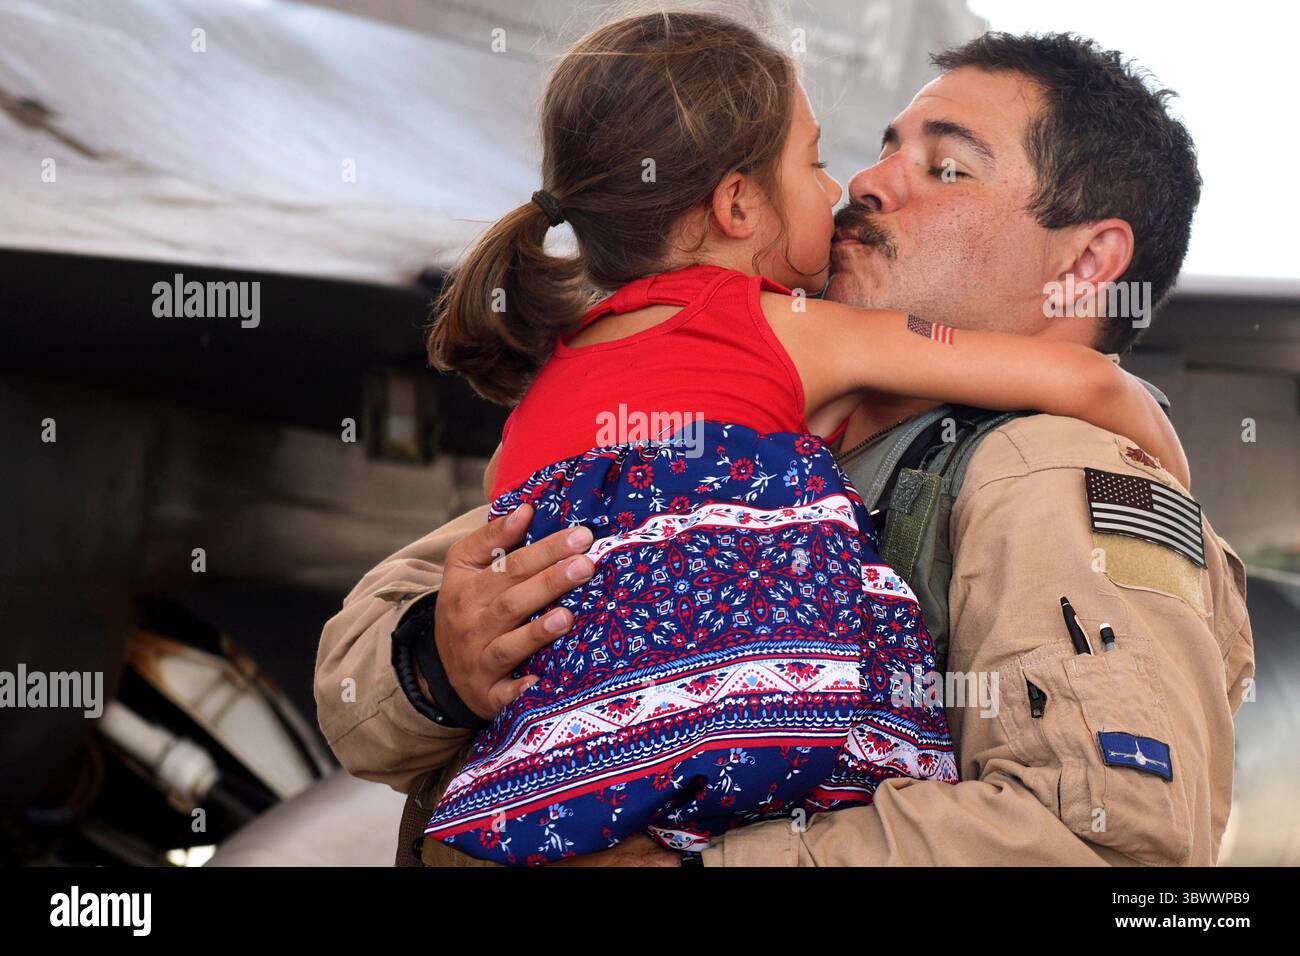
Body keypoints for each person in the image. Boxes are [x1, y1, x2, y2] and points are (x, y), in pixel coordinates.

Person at [315, 30, 1254, 867]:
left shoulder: (1047, 473)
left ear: (1085, 265)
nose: (865, 182)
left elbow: (1102, 839)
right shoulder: (741, 433)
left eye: (946, 168)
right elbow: (360, 692)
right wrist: (442, 660)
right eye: (883, 147)